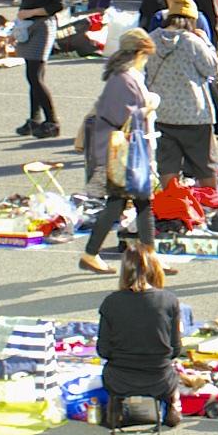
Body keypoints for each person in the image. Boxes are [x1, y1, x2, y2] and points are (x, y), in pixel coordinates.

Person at [78, 28, 158, 276]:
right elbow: (124, 116)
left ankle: (148, 258)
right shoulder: (123, 79)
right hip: (124, 154)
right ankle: (92, 254)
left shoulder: (122, 76)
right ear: (140, 53)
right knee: (127, 203)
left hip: (125, 152)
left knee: (134, 203)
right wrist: (149, 107)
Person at [97, 246, 183, 425]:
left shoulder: (111, 302)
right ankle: (173, 405)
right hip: (160, 380)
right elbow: (175, 349)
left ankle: (115, 408)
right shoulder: (169, 300)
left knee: (110, 370)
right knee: (172, 370)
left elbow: (103, 350)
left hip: (119, 380)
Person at [146, 0, 218, 185]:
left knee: (168, 167)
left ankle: (171, 202)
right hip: (194, 115)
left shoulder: (152, 40)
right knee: (205, 167)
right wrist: (206, 43)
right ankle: (209, 201)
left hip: (162, 113)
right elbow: (212, 68)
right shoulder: (192, 41)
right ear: (190, 19)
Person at [6, 0, 64, 138]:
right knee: (33, 74)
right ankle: (35, 118)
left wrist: (32, 13)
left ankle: (52, 120)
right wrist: (16, 27)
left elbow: (58, 4)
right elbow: (25, 0)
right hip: (27, 25)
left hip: (43, 25)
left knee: (35, 75)